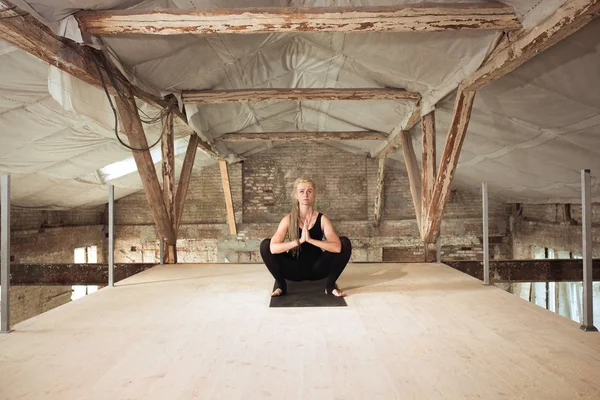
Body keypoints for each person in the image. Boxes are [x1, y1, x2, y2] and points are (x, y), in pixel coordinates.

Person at [260, 177, 352, 297]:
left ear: (314, 194)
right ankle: (281, 285)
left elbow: (337, 248)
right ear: (296, 195)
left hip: (318, 269)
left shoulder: (323, 219)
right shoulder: (288, 219)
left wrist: (310, 240)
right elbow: (273, 248)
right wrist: (299, 241)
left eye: (309, 191)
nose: (305, 195)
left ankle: (329, 286)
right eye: (301, 191)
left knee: (344, 242)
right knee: (265, 245)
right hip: (293, 269)